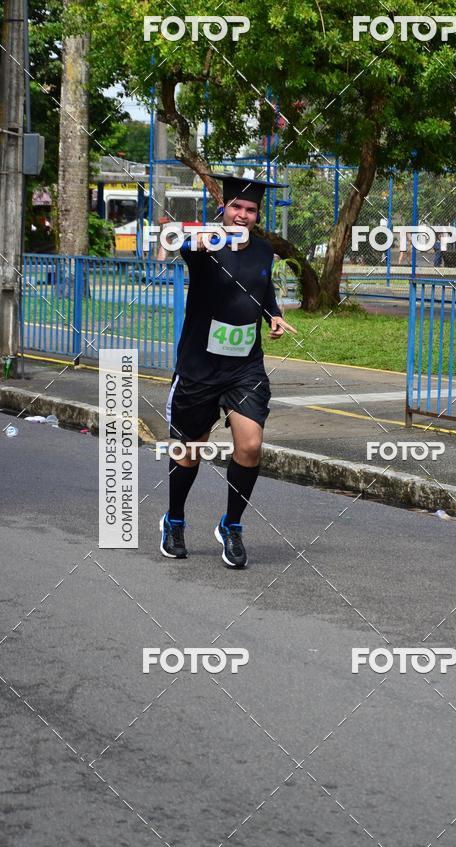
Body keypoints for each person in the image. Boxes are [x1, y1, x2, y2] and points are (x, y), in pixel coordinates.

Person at [160, 174, 298, 568]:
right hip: (200, 365)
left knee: (250, 445)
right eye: (236, 207)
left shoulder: (263, 250)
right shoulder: (205, 242)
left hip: (245, 366)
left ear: (257, 215)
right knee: (190, 450)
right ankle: (174, 520)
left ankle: (232, 526)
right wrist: (198, 242)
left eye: (250, 209)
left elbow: (261, 288)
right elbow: (183, 245)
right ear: (224, 208)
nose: (242, 215)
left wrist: (273, 315)